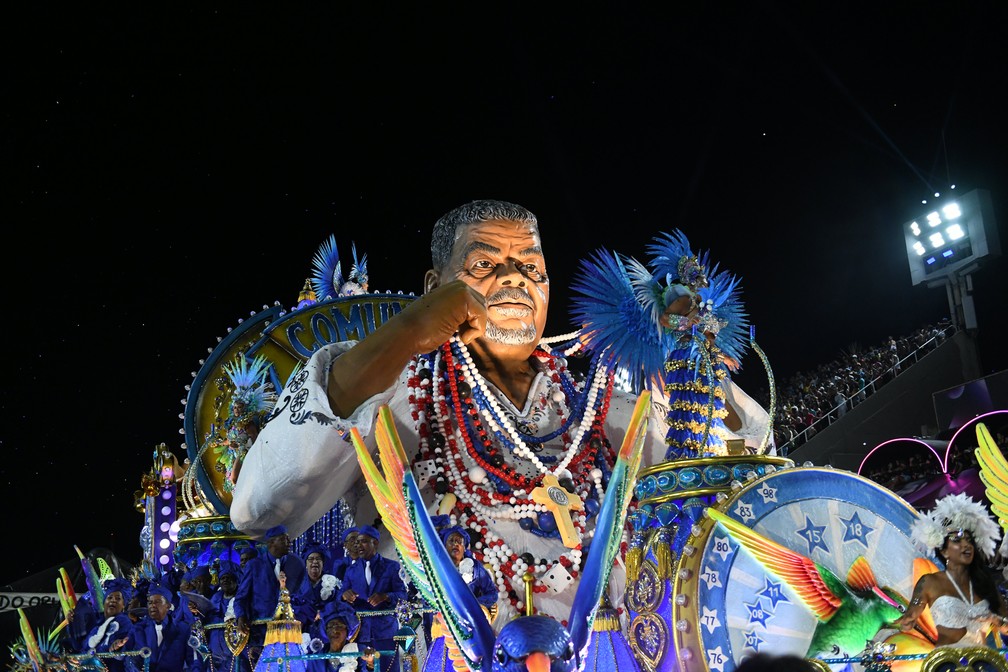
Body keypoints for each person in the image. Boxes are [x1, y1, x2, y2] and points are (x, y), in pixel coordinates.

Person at [231, 199, 771, 627]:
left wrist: (690, 356)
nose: (514, 279)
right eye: (485, 264)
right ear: (433, 287)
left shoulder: (609, 414)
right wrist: (403, 336)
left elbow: (731, 482)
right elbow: (259, 511)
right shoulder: (389, 408)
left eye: (530, 266)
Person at [896, 493, 1008, 647]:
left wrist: (996, 620)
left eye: (969, 541)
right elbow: (908, 618)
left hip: (983, 664)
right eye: (957, 540)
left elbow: (1006, 625)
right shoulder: (929, 582)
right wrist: (906, 621)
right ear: (944, 551)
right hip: (947, 664)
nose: (966, 545)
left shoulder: (985, 584)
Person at [233, 525, 314, 667]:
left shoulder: (296, 563)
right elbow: (241, 597)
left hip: (287, 634)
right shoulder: (255, 565)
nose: (289, 542)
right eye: (283, 539)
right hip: (260, 633)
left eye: (288, 539)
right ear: (271, 543)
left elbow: (304, 595)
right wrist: (240, 617)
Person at [422, 519, 498, 672]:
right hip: (445, 629)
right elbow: (426, 599)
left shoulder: (476, 568)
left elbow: (492, 594)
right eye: (451, 541)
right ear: (444, 545)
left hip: (472, 631)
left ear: (465, 547)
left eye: (459, 541)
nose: (455, 544)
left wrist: (473, 604)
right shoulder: (436, 570)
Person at [339, 525, 407, 672]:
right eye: (357, 542)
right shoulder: (351, 570)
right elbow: (341, 595)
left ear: (375, 543)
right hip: (361, 633)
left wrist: (386, 596)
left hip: (386, 632)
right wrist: (345, 595)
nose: (358, 546)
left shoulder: (391, 567)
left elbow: (403, 595)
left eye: (363, 541)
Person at [68, 577, 136, 672]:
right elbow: (81, 648)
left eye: (118, 598)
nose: (113, 600)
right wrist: (77, 658)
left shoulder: (125, 623)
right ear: (104, 602)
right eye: (110, 597)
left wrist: (118, 647)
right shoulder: (96, 625)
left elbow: (125, 651)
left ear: (123, 605)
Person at [131, 583, 189, 672]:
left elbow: (193, 661)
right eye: (150, 602)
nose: (153, 605)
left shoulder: (183, 629)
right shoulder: (139, 628)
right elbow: (130, 658)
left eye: (157, 602)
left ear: (168, 606)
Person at [302, 541, 340, 641]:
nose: (314, 562)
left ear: (323, 563)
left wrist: (323, 612)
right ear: (306, 564)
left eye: (318, 559)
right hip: (304, 631)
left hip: (327, 630)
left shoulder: (332, 582)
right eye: (310, 559)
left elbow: (338, 604)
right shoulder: (298, 584)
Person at [306, 607, 363, 672]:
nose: (334, 630)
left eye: (339, 626)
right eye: (330, 626)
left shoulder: (358, 652)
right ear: (326, 631)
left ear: (347, 630)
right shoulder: (315, 659)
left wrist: (370, 663)